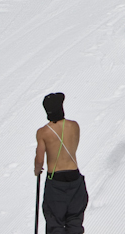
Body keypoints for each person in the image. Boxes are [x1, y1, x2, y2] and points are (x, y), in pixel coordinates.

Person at [35, 92, 87, 234]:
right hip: (75, 178)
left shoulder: (43, 132)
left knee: (55, 222)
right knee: (75, 220)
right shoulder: (74, 126)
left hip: (56, 181)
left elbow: (39, 160)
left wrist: (37, 170)